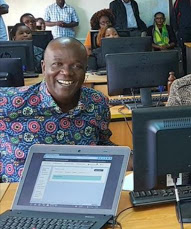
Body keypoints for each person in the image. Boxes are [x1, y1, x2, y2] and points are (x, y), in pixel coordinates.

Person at [0, 37, 113, 182]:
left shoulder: (97, 102)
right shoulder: (10, 102)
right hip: (19, 196)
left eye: (76, 66)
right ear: (44, 67)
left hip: (82, 189)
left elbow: (103, 143)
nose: (66, 72)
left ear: (85, 70)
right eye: (57, 64)